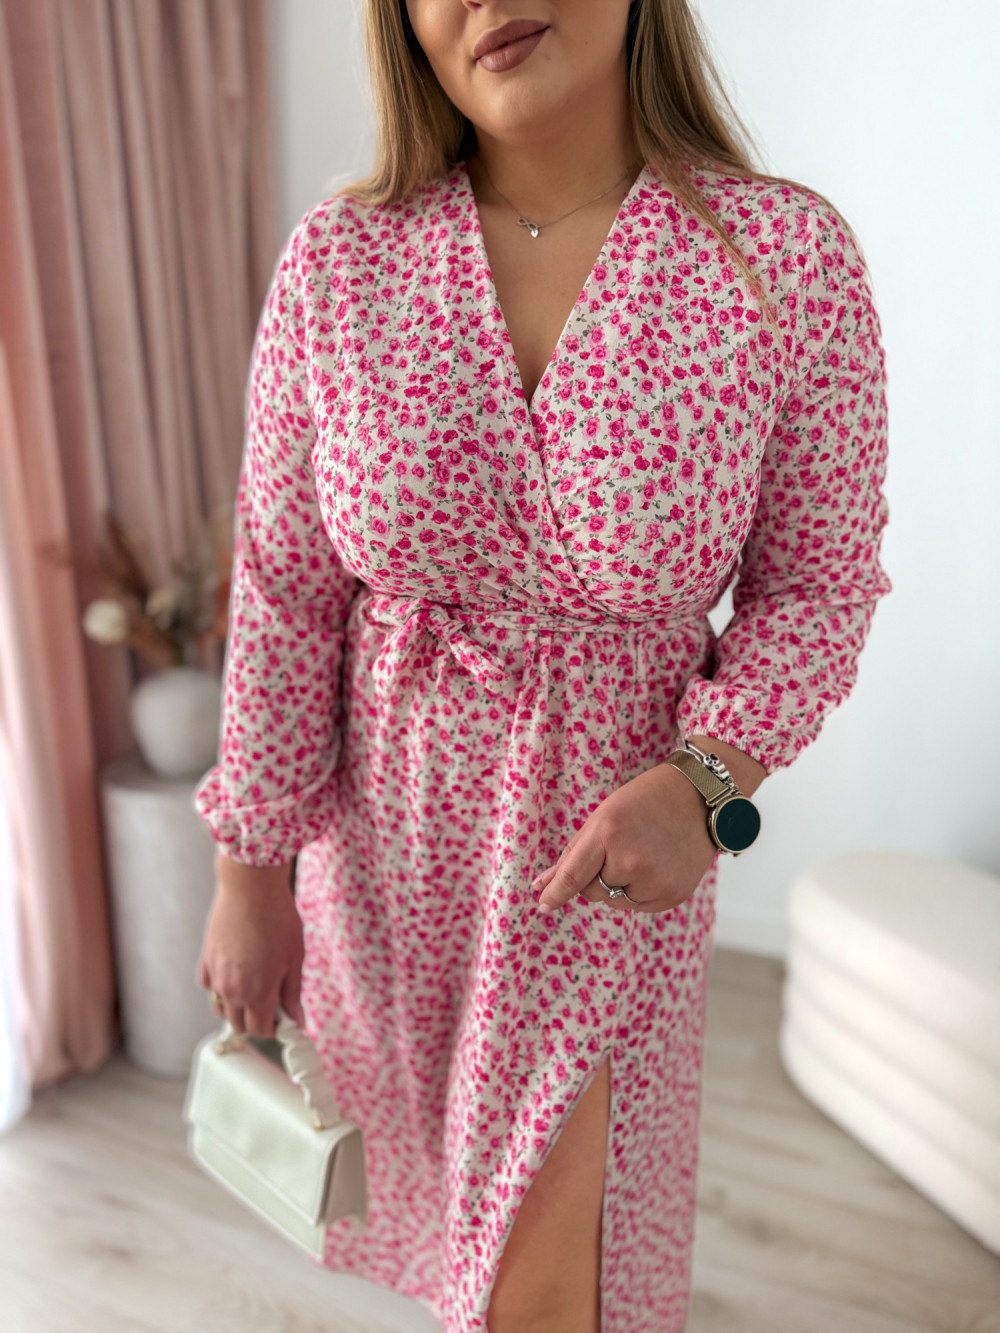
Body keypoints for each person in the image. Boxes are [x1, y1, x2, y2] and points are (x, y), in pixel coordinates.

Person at [193, 1, 892, 1330]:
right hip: (383, 867)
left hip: (599, 875)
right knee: (451, 1251)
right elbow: (286, 589)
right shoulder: (344, 260)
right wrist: (248, 870)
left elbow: (818, 587)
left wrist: (706, 787)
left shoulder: (779, 262)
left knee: (539, 1287)